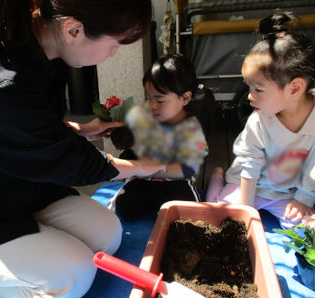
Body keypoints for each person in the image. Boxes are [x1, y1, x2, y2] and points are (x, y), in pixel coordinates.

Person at [0, 0, 165, 297]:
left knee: (107, 234)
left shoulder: (39, 53)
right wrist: (144, 166)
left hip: (14, 190)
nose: (113, 54)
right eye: (115, 45)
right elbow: (72, 163)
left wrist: (80, 129)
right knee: (75, 274)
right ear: (74, 29)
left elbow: (23, 133)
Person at [206, 11, 315, 229]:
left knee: (306, 230)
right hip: (247, 185)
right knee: (219, 217)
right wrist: (248, 214)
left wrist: (303, 200)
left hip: (287, 191)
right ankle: (216, 178)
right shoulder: (258, 121)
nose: (249, 96)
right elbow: (249, 169)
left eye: (258, 89)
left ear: (294, 88)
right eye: (249, 87)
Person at [109, 54, 209, 221]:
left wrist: (160, 167)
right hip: (144, 182)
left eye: (160, 101)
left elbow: (190, 169)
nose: (152, 105)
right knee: (123, 208)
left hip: (176, 183)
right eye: (149, 98)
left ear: (185, 98)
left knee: (192, 215)